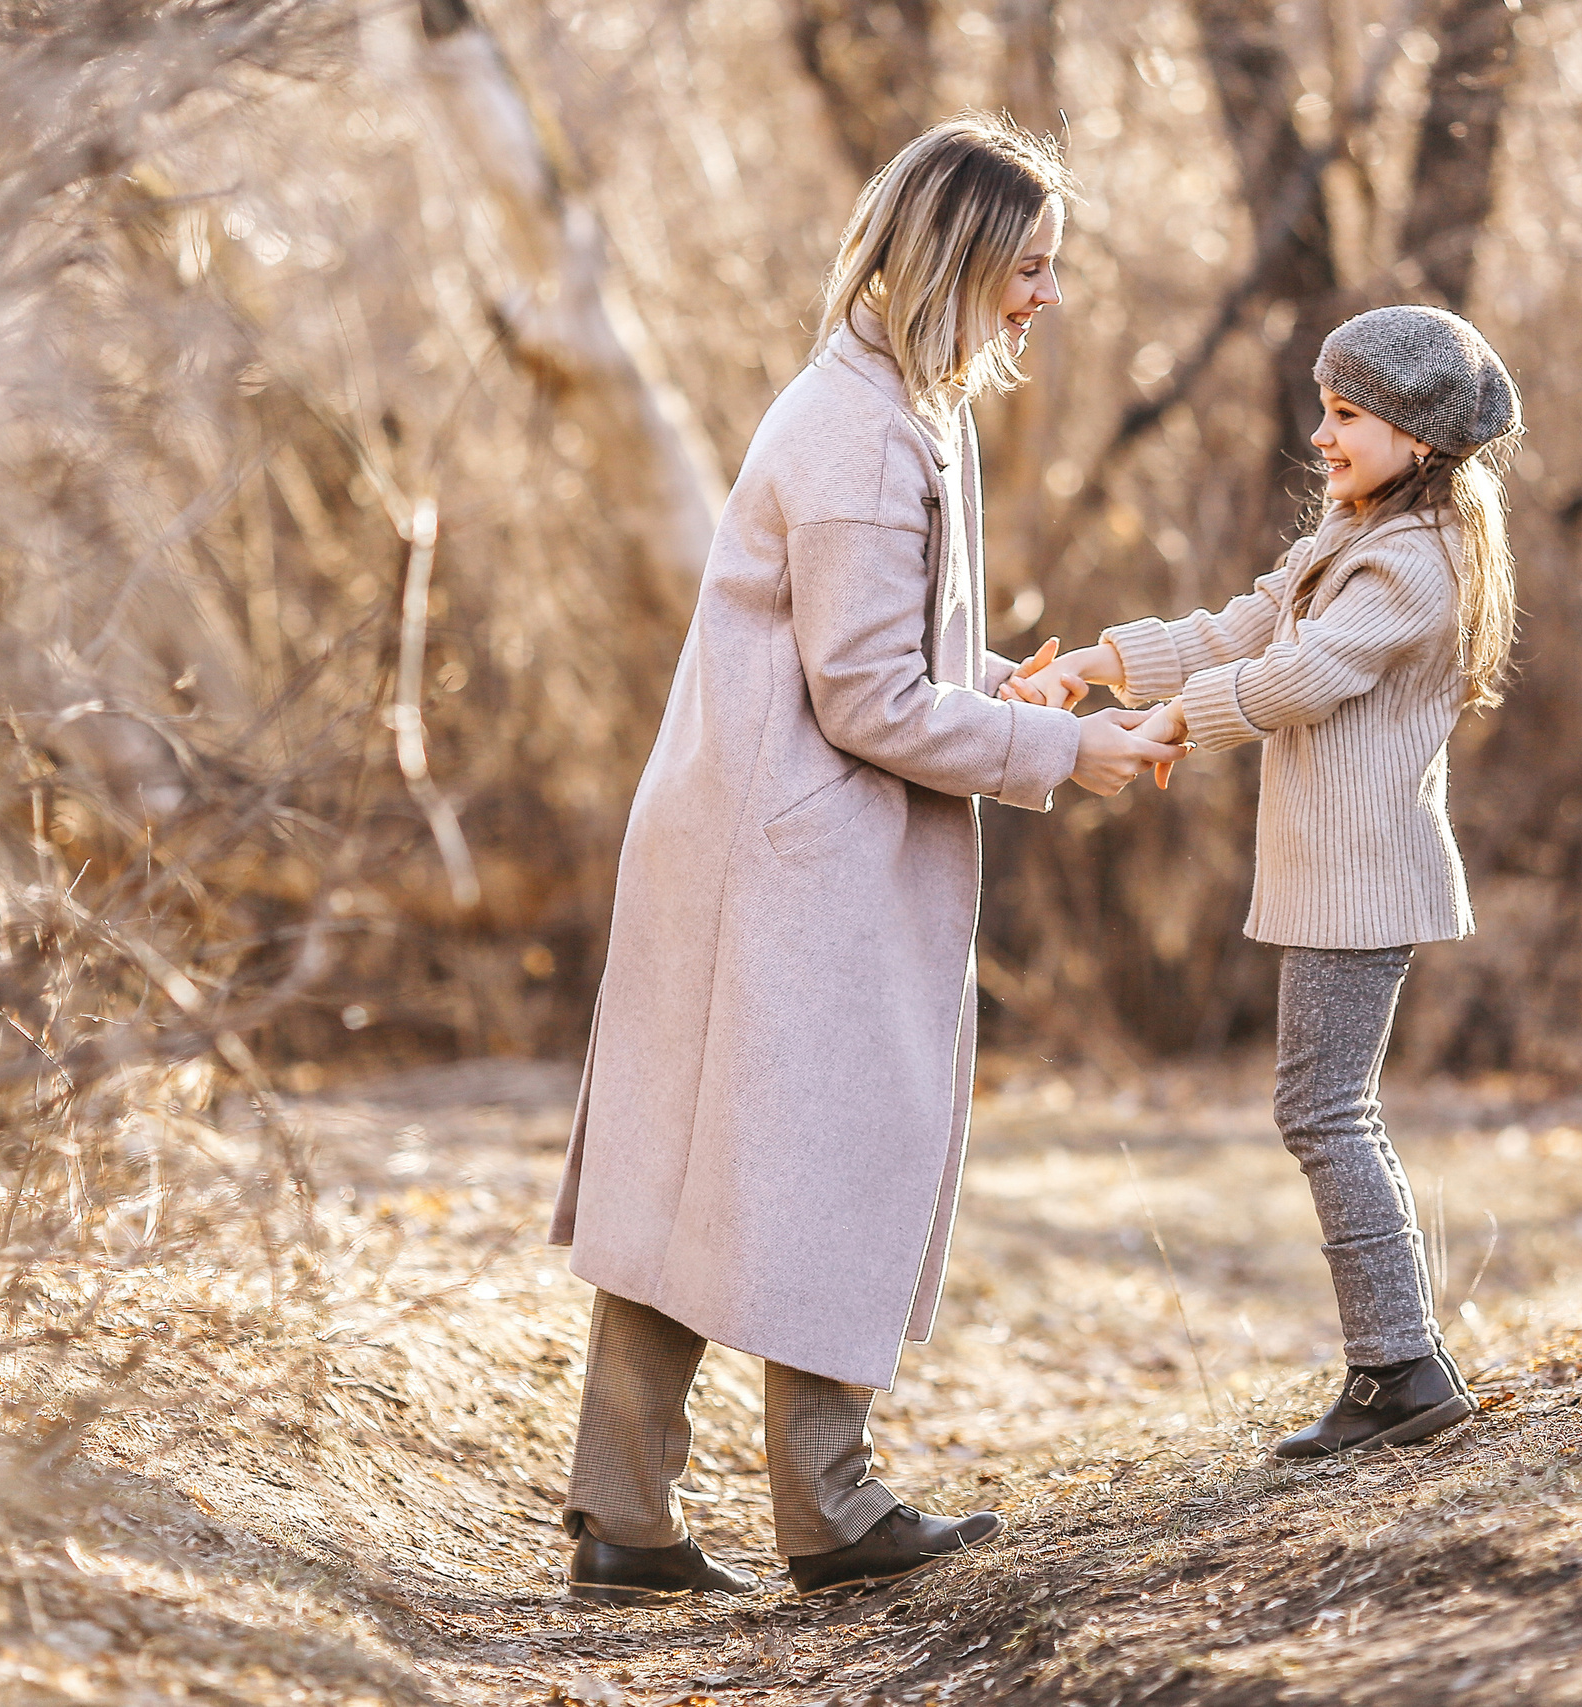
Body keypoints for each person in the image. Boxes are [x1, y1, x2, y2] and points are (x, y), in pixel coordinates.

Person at [550, 114, 1184, 1605]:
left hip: (773, 842)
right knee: (822, 1156)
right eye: (1028, 267)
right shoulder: (859, 435)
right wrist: (1061, 750)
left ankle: (628, 1514)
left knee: (704, 1167)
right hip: (788, 861)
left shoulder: (897, 405)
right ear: (954, 260)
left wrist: (1010, 688)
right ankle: (827, 1511)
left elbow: (880, 661)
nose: (1045, 296)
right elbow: (868, 702)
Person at [1002, 304, 1521, 1461]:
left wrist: (1176, 723)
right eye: (1323, 412)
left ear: (1416, 434)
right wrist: (1097, 666)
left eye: (1344, 416)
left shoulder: (1414, 561)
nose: (1321, 436)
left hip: (1362, 878)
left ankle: (1400, 1369)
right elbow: (1246, 625)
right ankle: (1398, 1363)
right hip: (1332, 875)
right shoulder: (1355, 530)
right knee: (1326, 1108)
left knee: (1323, 1111)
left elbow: (1307, 672)